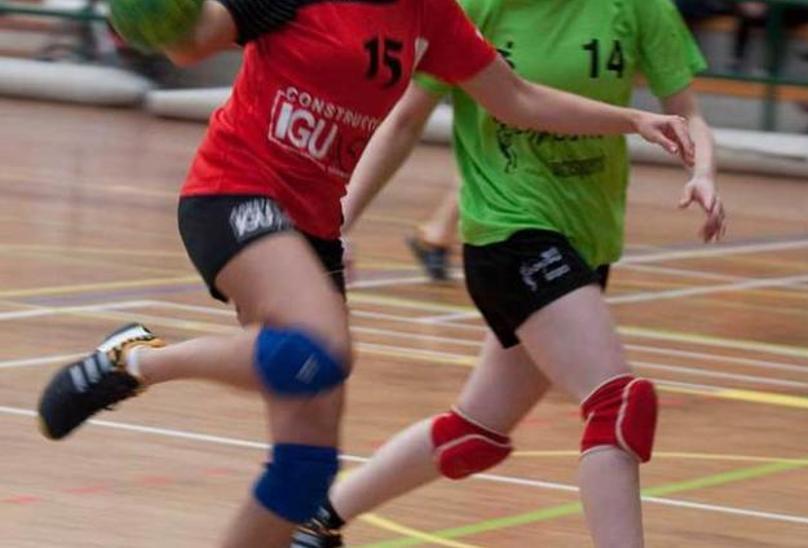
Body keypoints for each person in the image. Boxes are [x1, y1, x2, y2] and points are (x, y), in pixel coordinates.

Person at [34, 0, 695, 545]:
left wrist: (633, 119)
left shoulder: (432, 16)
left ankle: (134, 360)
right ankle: (139, 363)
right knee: (325, 348)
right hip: (237, 191)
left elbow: (516, 98)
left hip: (313, 226)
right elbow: (186, 41)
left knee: (305, 470)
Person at [291, 0, 724, 546]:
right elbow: (403, 121)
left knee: (475, 433)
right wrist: (336, 221)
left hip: (586, 240)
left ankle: (316, 519)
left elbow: (690, 112)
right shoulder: (472, 8)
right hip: (509, 231)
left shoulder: (639, 7)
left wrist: (703, 171)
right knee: (619, 403)